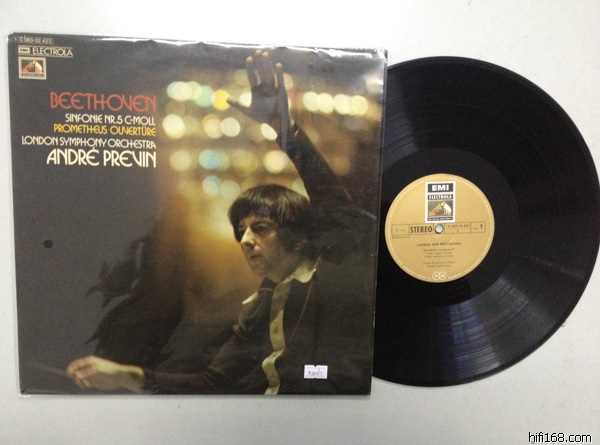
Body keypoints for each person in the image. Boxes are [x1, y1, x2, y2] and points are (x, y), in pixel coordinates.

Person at [66, 50, 377, 395]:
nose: (245, 240)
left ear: (299, 237)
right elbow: (214, 381)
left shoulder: (334, 274)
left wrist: (283, 129)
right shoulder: (259, 307)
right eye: (241, 231)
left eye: (260, 228)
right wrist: (126, 375)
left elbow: (336, 207)